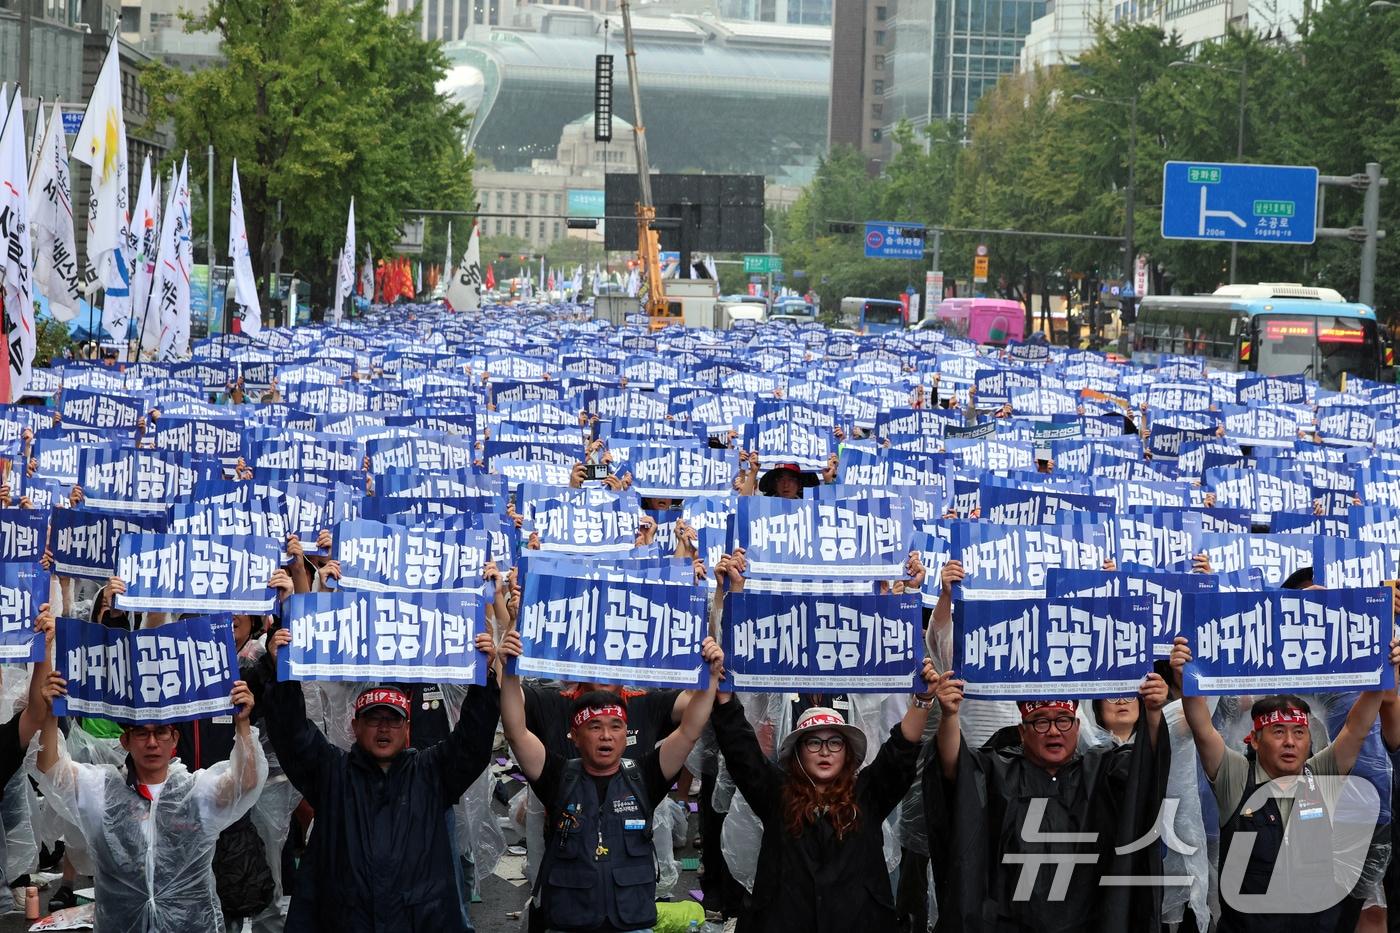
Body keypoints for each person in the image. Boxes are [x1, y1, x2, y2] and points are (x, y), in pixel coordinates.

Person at [262, 625, 502, 932]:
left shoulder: (432, 773)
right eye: (374, 719)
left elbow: (473, 741)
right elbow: (291, 733)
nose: (384, 728)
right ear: (355, 726)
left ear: (406, 729)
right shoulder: (332, 773)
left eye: (392, 719)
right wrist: (281, 671)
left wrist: (485, 677)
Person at [498, 628, 724, 933]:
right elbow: (516, 731)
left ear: (625, 734)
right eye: (595, 727)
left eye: (616, 726)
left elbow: (688, 731)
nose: (606, 735)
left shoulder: (643, 775)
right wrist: (510, 670)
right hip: (570, 918)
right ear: (574, 736)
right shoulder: (558, 776)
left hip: (631, 918)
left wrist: (709, 678)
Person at [1170, 634, 1400, 933]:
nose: (1290, 742)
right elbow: (1202, 728)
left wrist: (1382, 671)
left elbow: (1357, 728)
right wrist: (1187, 675)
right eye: (1278, 731)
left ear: (1309, 740)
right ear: (1253, 739)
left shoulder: (1321, 774)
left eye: (1299, 733)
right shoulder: (1236, 777)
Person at [708, 657, 939, 933]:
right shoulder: (775, 792)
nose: (825, 751)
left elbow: (900, 750)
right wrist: (723, 696)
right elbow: (741, 751)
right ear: (798, 752)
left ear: (847, 752)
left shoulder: (868, 793)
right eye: (814, 742)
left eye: (835, 742)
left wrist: (923, 699)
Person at [924, 674, 1170, 932]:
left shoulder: (1101, 773)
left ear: (1077, 726)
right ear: (1022, 732)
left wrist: (1153, 712)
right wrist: (950, 715)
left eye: (1063, 721)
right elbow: (954, 771)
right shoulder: (996, 771)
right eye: (1041, 722)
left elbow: (1146, 770)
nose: (1053, 730)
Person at [34, 668, 266, 932]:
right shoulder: (103, 788)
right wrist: (52, 714)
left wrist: (243, 723)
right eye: (142, 733)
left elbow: (244, 783)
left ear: (175, 739)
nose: (152, 743)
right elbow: (52, 768)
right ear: (126, 741)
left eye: (161, 732)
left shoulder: (194, 791)